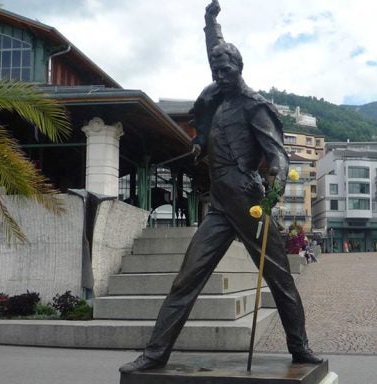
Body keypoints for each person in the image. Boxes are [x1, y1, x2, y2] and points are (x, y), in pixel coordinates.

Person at [120, 0, 322, 373]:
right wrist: (210, 22)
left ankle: (300, 347)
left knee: (279, 279)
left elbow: (277, 154)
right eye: (216, 69)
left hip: (249, 202)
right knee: (187, 279)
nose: (219, 74)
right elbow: (214, 50)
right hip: (218, 207)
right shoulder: (214, 97)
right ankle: (155, 353)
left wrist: (275, 184)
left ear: (239, 69)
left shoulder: (252, 106)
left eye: (226, 69)